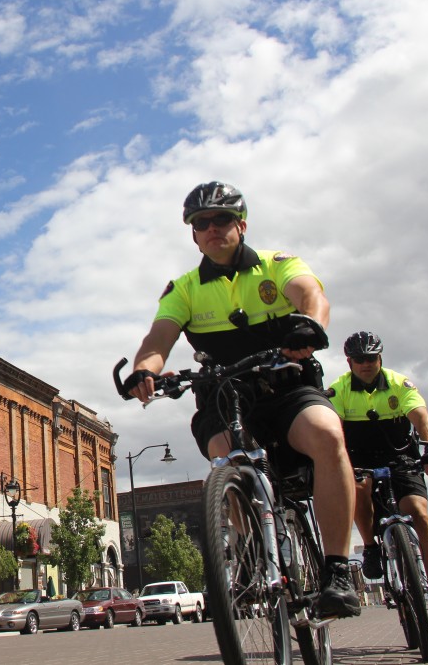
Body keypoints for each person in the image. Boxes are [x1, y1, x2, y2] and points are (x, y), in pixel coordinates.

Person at [121, 181, 360, 619]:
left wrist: (308, 324)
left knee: (328, 435)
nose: (212, 228)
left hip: (285, 387)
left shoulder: (276, 265)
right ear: (193, 234)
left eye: (222, 219)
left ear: (241, 224)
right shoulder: (185, 288)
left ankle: (338, 569)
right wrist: (145, 370)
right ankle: (250, 548)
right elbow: (158, 339)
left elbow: (311, 295)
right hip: (224, 395)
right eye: (201, 223)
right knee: (225, 458)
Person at [328, 331, 428, 627]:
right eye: (359, 359)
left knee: (420, 514)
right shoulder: (338, 390)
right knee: (359, 487)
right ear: (350, 362)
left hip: (401, 458)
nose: (366, 364)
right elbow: (331, 431)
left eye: (371, 358)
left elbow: (422, 418)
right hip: (359, 458)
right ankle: (371, 547)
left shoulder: (399, 383)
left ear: (380, 358)